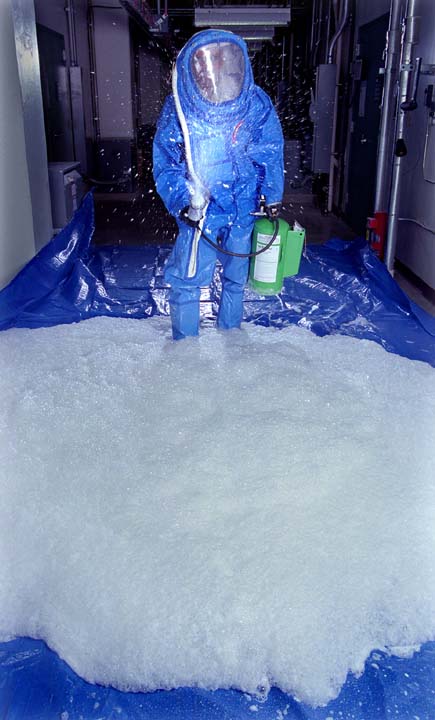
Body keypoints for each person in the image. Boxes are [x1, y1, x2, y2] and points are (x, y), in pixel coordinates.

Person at [153, 29, 284, 340]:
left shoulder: (254, 102)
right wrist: (183, 201)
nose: (218, 73)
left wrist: (272, 196)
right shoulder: (180, 108)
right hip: (202, 209)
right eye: (208, 63)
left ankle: (231, 339)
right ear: (192, 68)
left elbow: (269, 151)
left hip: (244, 207)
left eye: (226, 63)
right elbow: (167, 163)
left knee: (236, 278)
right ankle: (185, 349)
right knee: (187, 279)